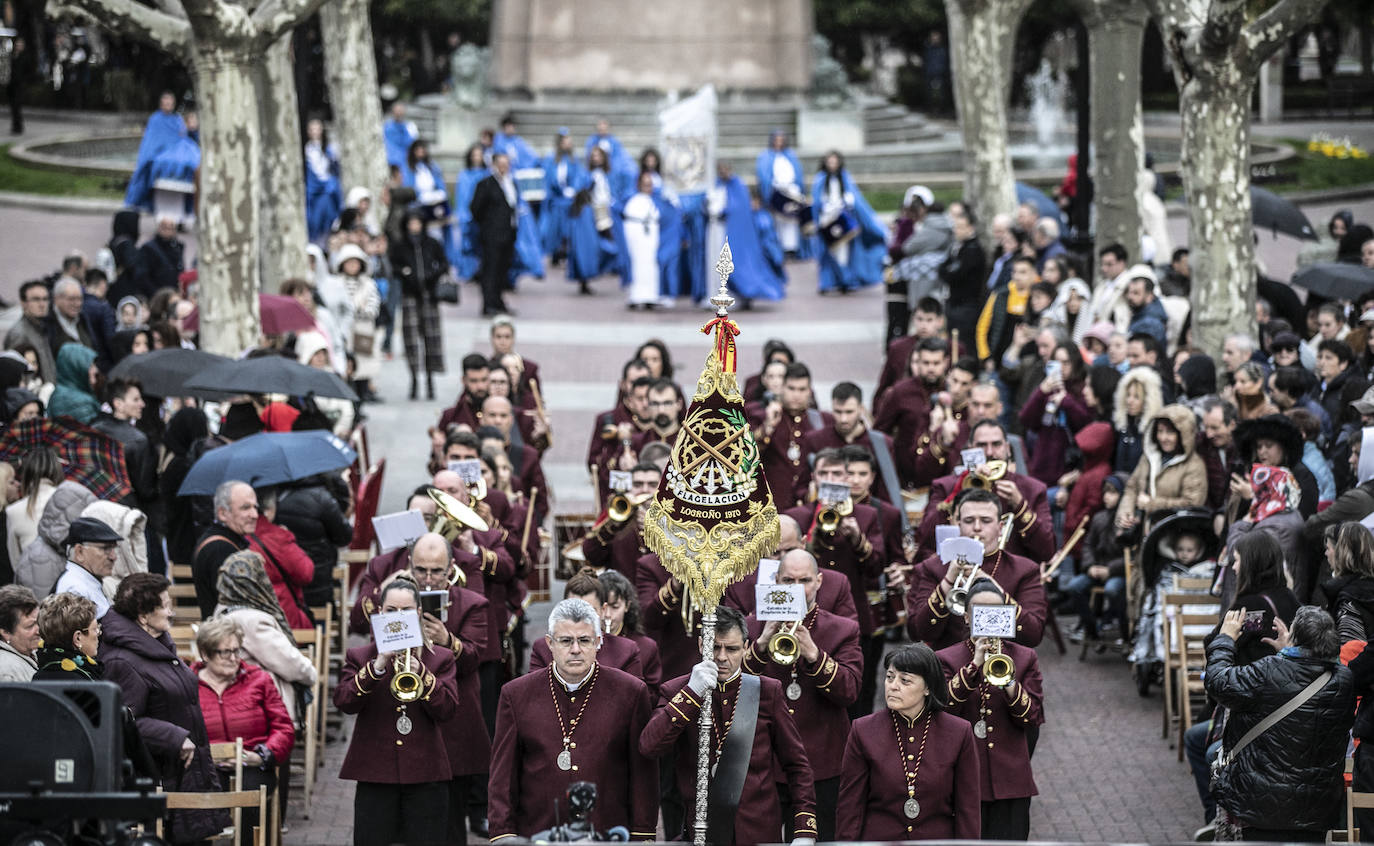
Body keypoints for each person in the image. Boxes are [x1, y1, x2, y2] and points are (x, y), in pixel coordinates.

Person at [641, 606, 817, 846]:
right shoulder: (677, 691)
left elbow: (797, 766)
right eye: (715, 647)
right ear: (702, 645)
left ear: (746, 648)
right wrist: (692, 692)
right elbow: (649, 746)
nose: (722, 657)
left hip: (759, 830)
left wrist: (804, 830)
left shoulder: (768, 691)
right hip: (702, 830)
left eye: (732, 649)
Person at [489, 598, 657, 840]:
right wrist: (503, 835)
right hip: (537, 833)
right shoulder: (516, 695)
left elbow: (643, 773)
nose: (576, 649)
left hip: (607, 833)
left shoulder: (630, 692)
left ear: (598, 642)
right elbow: (503, 776)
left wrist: (643, 834)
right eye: (566, 641)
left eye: (584, 640)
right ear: (550, 643)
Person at [741, 549, 861, 840]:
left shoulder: (842, 629)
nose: (795, 588)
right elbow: (735, 688)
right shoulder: (753, 624)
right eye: (788, 580)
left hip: (822, 759)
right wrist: (761, 644)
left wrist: (813, 653)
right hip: (765, 760)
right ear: (776, 581)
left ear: (819, 582)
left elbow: (850, 691)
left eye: (804, 580)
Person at [1206, 606, 1354, 841]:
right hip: (1314, 809)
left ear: (1297, 639)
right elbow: (1305, 673)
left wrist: (1225, 639)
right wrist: (1290, 651)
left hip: (1261, 804)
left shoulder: (1268, 671)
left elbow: (1217, 682)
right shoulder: (1343, 680)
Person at [102, 572, 226, 843]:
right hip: (161, 775)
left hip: (184, 770)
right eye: (166, 605)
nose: (172, 612)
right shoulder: (122, 660)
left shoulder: (158, 645)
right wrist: (175, 737)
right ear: (144, 615)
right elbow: (123, 719)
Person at [335, 577, 458, 846]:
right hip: (374, 773)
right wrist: (376, 667)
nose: (398, 617)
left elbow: (448, 710)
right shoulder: (360, 656)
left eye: (406, 611)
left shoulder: (440, 658)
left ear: (417, 614)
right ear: (380, 612)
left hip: (426, 773)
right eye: (391, 611)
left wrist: (422, 674)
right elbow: (344, 702)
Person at [837, 643, 981, 840]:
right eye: (889, 677)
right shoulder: (863, 730)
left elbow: (968, 809)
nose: (893, 685)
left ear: (928, 688)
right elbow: (850, 807)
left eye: (905, 680)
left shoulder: (958, 732)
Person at [936, 579, 1042, 839]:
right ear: (967, 618)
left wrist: (1009, 683)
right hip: (962, 779)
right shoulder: (946, 658)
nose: (988, 619)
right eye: (980, 612)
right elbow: (942, 711)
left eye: (996, 612)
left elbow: (1032, 718)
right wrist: (973, 667)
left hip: (1012, 781)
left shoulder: (1025, 657)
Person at [907, 488, 1047, 651]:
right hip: (947, 667)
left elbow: (1033, 635)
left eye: (986, 520)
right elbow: (917, 633)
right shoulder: (931, 568)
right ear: (958, 525)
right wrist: (947, 582)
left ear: (1000, 527)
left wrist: (996, 592)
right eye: (969, 521)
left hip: (1004, 665)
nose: (977, 527)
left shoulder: (1025, 570)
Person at [193, 616, 294, 832]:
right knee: (195, 800)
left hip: (251, 763)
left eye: (236, 651)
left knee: (251, 798)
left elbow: (283, 727)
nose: (233, 658)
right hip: (206, 765)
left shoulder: (259, 680)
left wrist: (262, 754)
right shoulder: (188, 684)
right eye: (224, 652)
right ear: (205, 654)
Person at [213, 550, 318, 719]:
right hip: (263, 707)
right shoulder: (252, 621)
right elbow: (288, 662)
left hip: (233, 703)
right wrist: (311, 674)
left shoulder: (221, 613)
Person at [389, 210, 448, 401]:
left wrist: (433, 274)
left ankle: (430, 379)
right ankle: (414, 378)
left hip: (429, 296)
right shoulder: (401, 245)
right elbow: (394, 266)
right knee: (411, 339)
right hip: (410, 295)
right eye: (411, 223)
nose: (414, 227)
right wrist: (406, 274)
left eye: (417, 223)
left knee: (431, 338)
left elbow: (444, 263)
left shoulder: (431, 243)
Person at [811, 151, 885, 293]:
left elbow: (854, 198)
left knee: (844, 253)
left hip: (842, 219)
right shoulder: (820, 179)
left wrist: (847, 202)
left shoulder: (844, 177)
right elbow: (817, 200)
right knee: (829, 252)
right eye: (830, 162)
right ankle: (828, 282)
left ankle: (846, 280)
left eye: (835, 162)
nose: (832, 165)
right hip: (827, 220)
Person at [192, 481, 257, 618]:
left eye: (255, 507)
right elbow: (237, 609)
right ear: (222, 513)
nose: (254, 514)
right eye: (245, 508)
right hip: (228, 634)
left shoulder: (216, 541)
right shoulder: (221, 549)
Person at [619, 170, 680, 310]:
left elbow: (667, 217)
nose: (648, 187)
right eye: (645, 184)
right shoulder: (632, 199)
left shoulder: (657, 200)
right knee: (636, 264)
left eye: (650, 184)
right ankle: (636, 295)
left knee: (650, 264)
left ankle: (650, 295)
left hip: (651, 235)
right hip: (636, 233)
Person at [469, 152, 519, 317]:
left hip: (508, 234)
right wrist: (488, 225)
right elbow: (476, 208)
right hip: (491, 235)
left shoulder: (511, 183)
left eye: (507, 164)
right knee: (490, 270)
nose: (504, 167)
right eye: (501, 164)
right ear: (494, 165)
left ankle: (498, 301)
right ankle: (488, 304)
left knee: (502, 270)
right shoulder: (486, 184)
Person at [51, 516, 123, 618]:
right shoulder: (75, 589)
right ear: (79, 552)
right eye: (106, 549)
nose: (113, 557)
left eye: (113, 549)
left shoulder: (84, 581)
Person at [6, 446, 62, 565]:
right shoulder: (70, 500)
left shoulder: (13, 511)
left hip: (29, 580)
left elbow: (15, 561)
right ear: (57, 471)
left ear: (26, 474)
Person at [46, 343, 99, 423]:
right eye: (90, 366)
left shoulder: (64, 392)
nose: (94, 370)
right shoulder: (79, 403)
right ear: (77, 368)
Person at [0, 584, 39, 681]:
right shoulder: (6, 674)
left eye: (38, 622)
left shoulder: (30, 651)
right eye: (30, 626)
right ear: (5, 632)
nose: (39, 630)